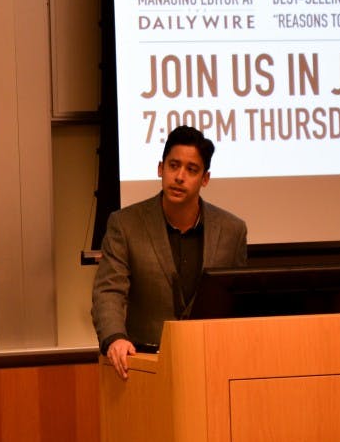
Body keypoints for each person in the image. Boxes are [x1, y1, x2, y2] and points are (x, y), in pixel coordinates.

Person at [92, 126, 247, 379]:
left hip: (211, 366)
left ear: (205, 179)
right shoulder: (125, 225)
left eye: (191, 169)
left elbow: (237, 304)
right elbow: (109, 291)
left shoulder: (232, 230)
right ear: (160, 169)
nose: (179, 177)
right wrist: (115, 338)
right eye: (173, 166)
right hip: (143, 365)